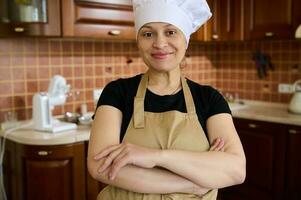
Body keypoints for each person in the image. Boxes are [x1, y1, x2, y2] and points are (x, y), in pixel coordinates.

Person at [87, 0, 246, 199]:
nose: (160, 43)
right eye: (148, 33)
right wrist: (194, 182)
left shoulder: (209, 99)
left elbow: (236, 171)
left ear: (185, 40)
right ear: (138, 41)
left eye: (170, 32)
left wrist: (154, 157)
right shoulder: (117, 93)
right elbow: (100, 166)